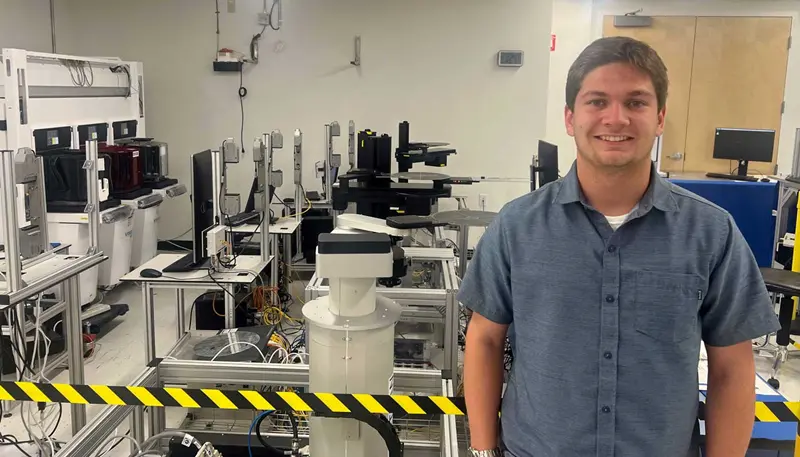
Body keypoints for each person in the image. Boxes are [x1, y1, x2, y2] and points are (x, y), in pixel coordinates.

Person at [458, 36, 780, 457]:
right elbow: (484, 340)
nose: (616, 118)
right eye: (597, 102)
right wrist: (483, 451)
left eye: (636, 103)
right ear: (571, 118)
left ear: (660, 117)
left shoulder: (711, 232)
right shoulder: (517, 226)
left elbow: (732, 369)